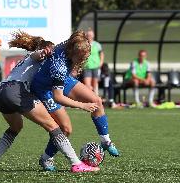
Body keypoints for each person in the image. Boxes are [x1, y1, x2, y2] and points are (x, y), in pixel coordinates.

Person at [0, 31, 100, 173]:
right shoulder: (40, 55)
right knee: (54, 127)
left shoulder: (26, 60)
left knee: (15, 127)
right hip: (17, 91)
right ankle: (76, 164)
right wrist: (44, 53)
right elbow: (38, 55)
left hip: (1, 92)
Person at [31, 31, 120, 172]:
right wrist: (82, 105)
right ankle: (46, 158)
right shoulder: (58, 66)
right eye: (81, 57)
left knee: (96, 100)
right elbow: (58, 97)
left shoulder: (74, 42)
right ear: (73, 52)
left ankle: (105, 141)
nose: (83, 60)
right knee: (66, 128)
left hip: (62, 79)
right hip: (45, 88)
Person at [83, 27, 104, 94]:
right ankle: (90, 97)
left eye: (91, 35)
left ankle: (95, 98)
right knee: (87, 85)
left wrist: (101, 63)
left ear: (93, 35)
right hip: (87, 66)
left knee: (95, 84)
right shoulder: (84, 44)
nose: (89, 36)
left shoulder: (97, 45)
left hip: (95, 66)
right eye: (88, 35)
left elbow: (101, 54)